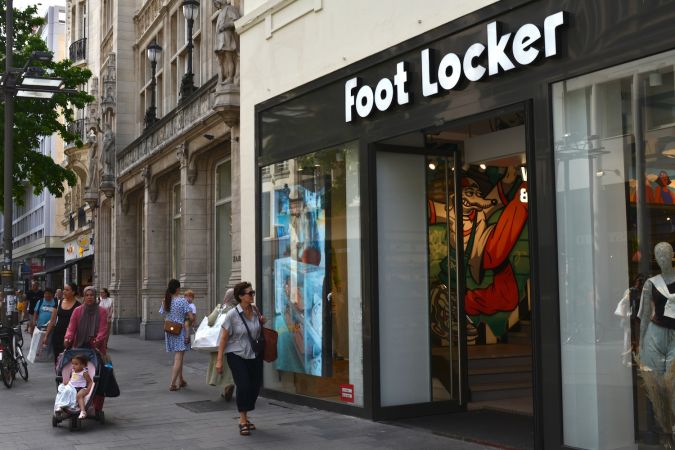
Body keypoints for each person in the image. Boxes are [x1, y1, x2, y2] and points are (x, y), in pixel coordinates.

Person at [216, 281, 266, 436]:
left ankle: (246, 412)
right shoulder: (232, 314)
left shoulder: (255, 310)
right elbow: (223, 338)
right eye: (249, 293)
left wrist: (262, 322)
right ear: (240, 296)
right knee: (243, 386)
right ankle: (243, 419)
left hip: (254, 354)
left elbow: (257, 331)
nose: (252, 295)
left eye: (253, 293)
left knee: (255, 387)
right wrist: (219, 361)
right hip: (236, 354)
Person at [161, 279, 194, 391]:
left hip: (170, 330)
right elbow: (191, 316)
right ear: (177, 289)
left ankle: (181, 379)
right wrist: (186, 320)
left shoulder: (166, 300)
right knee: (178, 358)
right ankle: (172, 384)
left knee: (179, 356)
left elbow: (163, 313)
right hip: (180, 331)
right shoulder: (182, 301)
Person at [207, 288, 236, 400]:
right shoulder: (238, 309)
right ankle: (229, 385)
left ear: (226, 297)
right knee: (230, 367)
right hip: (233, 343)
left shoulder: (221, 309)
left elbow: (210, 321)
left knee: (221, 365)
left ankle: (227, 386)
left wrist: (218, 308)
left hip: (219, 342)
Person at [42, 283, 81, 365]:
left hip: (71, 337)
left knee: (70, 361)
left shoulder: (78, 306)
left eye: (67, 290)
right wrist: (46, 335)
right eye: (64, 289)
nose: (64, 292)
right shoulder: (59, 302)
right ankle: (59, 376)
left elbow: (80, 324)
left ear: (73, 292)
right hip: (58, 335)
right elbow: (52, 320)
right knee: (58, 360)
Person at [64, 286, 109, 354]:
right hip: (79, 346)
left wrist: (98, 339)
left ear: (95, 296)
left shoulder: (102, 311)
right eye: (87, 295)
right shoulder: (77, 310)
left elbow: (103, 329)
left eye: (91, 295)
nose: (89, 297)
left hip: (96, 347)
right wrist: (68, 337)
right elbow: (71, 328)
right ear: (84, 297)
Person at [62, 354, 93, 419]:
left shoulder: (84, 373)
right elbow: (72, 380)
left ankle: (83, 411)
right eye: (72, 364)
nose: (73, 366)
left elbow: (90, 382)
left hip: (82, 388)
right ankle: (62, 408)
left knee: (79, 395)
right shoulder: (73, 371)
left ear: (83, 365)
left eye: (76, 364)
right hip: (73, 388)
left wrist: (88, 390)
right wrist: (67, 383)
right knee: (65, 392)